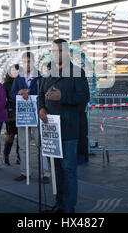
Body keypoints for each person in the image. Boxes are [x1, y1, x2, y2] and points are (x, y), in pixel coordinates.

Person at [38, 39, 90, 213]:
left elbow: (84, 98)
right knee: (57, 169)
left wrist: (63, 96)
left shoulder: (77, 72)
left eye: (60, 51)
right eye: (54, 51)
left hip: (68, 129)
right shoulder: (48, 73)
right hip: (51, 129)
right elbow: (40, 95)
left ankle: (68, 208)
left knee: (68, 170)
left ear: (67, 52)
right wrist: (41, 109)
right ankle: (59, 204)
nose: (56, 54)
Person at [11, 52, 50, 183]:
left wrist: (30, 92)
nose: (27, 64)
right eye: (25, 61)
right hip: (23, 116)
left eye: (29, 61)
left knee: (41, 144)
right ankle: (25, 171)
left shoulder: (40, 76)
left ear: (33, 62)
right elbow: (11, 94)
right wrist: (18, 92)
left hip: (37, 114)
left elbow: (45, 93)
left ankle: (45, 173)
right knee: (22, 145)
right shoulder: (18, 77)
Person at [3, 64, 21, 166]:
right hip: (10, 113)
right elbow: (3, 100)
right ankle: (6, 155)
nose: (16, 73)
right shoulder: (6, 85)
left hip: (21, 111)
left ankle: (19, 157)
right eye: (14, 71)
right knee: (10, 135)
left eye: (17, 71)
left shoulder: (21, 82)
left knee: (21, 136)